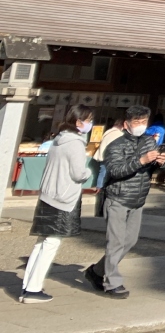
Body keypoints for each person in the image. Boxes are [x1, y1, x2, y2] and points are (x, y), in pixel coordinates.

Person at [86, 105, 165, 298]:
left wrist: (161, 163)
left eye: (144, 122)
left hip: (138, 199)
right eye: (136, 122)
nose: (140, 125)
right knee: (115, 241)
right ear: (126, 124)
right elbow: (115, 171)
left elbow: (151, 170)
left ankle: (97, 271)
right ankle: (112, 281)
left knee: (130, 240)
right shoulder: (115, 144)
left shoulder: (149, 142)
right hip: (117, 198)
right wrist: (141, 161)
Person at [20, 105, 95, 304]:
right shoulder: (76, 143)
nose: (90, 123)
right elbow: (79, 173)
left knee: (41, 242)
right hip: (63, 197)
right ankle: (34, 289)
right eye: (88, 119)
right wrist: (89, 173)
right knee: (51, 243)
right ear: (79, 122)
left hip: (48, 194)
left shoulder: (58, 140)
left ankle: (28, 285)